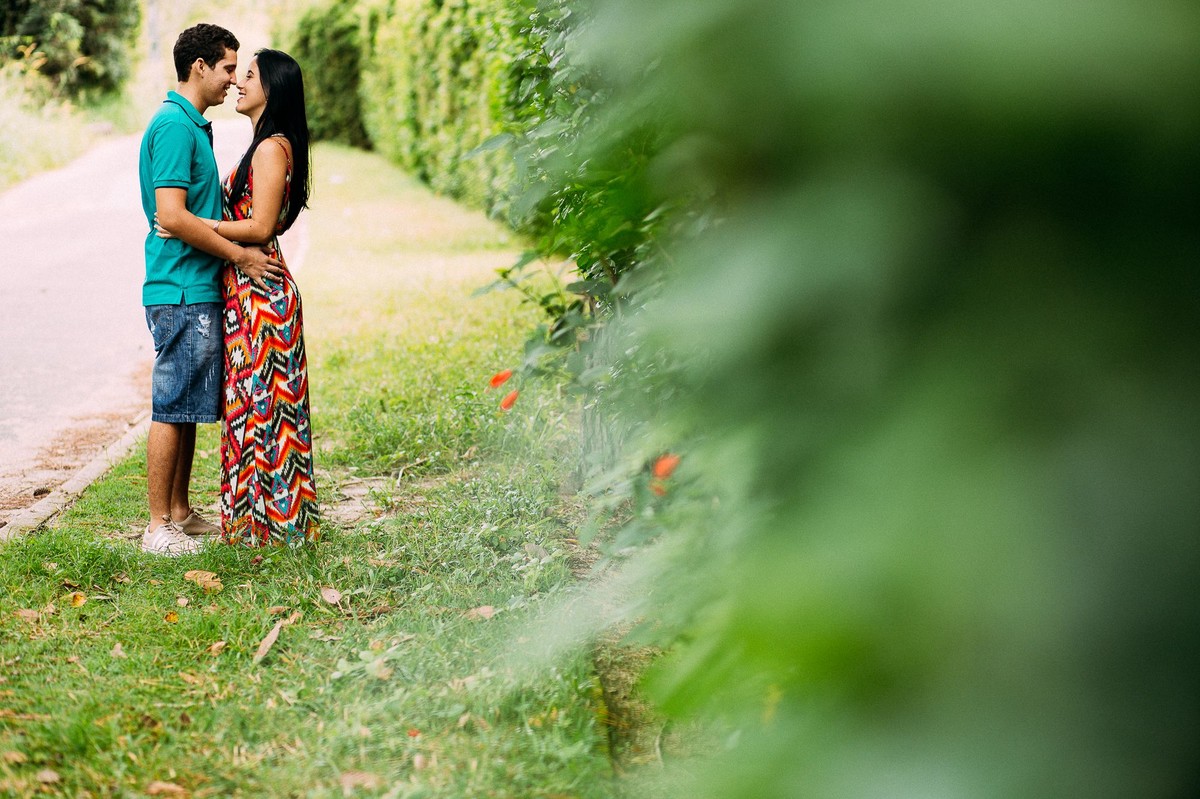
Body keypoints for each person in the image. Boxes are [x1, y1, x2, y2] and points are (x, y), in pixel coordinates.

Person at [158, 49, 319, 547]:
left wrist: (192, 223)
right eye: (235, 72)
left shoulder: (272, 147)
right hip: (247, 289)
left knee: (268, 407)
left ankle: (276, 522)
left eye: (248, 75)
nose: (239, 83)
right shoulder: (264, 144)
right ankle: (259, 520)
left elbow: (261, 226)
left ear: (272, 88)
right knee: (253, 405)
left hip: (262, 291)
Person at [138, 24, 285, 556]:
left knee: (190, 405)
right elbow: (172, 215)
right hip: (179, 285)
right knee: (171, 405)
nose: (232, 80)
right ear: (199, 67)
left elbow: (186, 214)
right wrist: (241, 255)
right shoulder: (176, 127)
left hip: (195, 284)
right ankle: (158, 527)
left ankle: (179, 511)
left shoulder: (191, 125)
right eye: (227, 68)